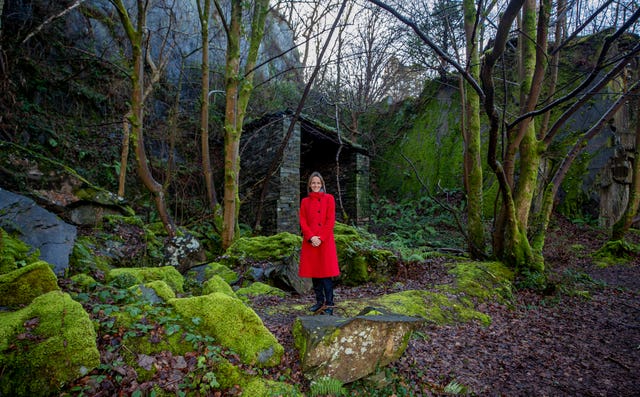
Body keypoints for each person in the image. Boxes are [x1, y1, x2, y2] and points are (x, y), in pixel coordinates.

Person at [298, 171, 340, 315]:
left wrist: (320, 237)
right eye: (313, 183)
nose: (315, 185)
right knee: (314, 274)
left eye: (318, 183)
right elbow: (303, 221)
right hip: (310, 242)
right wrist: (311, 237)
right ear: (310, 185)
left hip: (325, 242)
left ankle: (330, 304)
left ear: (322, 184)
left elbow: (330, 220)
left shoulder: (329, 199)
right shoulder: (305, 201)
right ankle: (319, 302)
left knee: (326, 274)